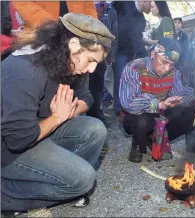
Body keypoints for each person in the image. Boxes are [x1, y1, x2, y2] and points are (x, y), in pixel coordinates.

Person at [1, 13, 115, 213]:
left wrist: (70, 110)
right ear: (73, 44)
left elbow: (86, 97)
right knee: (84, 179)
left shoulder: (67, 60)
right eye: (90, 60)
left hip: (38, 130)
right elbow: (18, 139)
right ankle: (8, 197)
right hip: (8, 149)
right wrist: (57, 118)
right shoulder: (26, 71)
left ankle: (63, 184)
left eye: (96, 63)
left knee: (95, 128)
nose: (91, 69)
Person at [119, 38, 195, 163]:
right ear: (153, 54)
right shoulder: (134, 68)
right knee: (141, 120)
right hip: (135, 115)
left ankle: (153, 138)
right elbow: (128, 102)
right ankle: (138, 142)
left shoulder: (173, 73)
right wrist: (159, 104)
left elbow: (179, 93)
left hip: (158, 114)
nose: (167, 68)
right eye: (164, 62)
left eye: (171, 65)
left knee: (192, 113)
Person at [111, 0, 151, 117]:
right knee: (119, 79)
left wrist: (145, 57)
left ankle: (128, 105)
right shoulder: (122, 4)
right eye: (152, 2)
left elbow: (138, 40)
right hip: (118, 52)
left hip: (132, 55)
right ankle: (118, 109)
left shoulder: (142, 20)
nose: (153, 6)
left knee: (130, 80)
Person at [87, 1, 118, 125]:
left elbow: (114, 35)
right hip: (83, 52)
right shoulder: (82, 4)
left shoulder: (110, 10)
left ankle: (97, 113)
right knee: (84, 85)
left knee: (98, 86)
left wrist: (112, 55)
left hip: (101, 53)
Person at [12, 1, 97, 28]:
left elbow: (89, 9)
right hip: (41, 38)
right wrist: (51, 26)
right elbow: (24, 4)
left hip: (78, 40)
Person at [173, 17, 188, 82]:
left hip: (180, 61)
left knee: (179, 79)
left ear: (181, 25)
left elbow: (185, 49)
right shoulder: (170, 34)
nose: (177, 24)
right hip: (170, 60)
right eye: (175, 22)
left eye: (179, 23)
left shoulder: (184, 36)